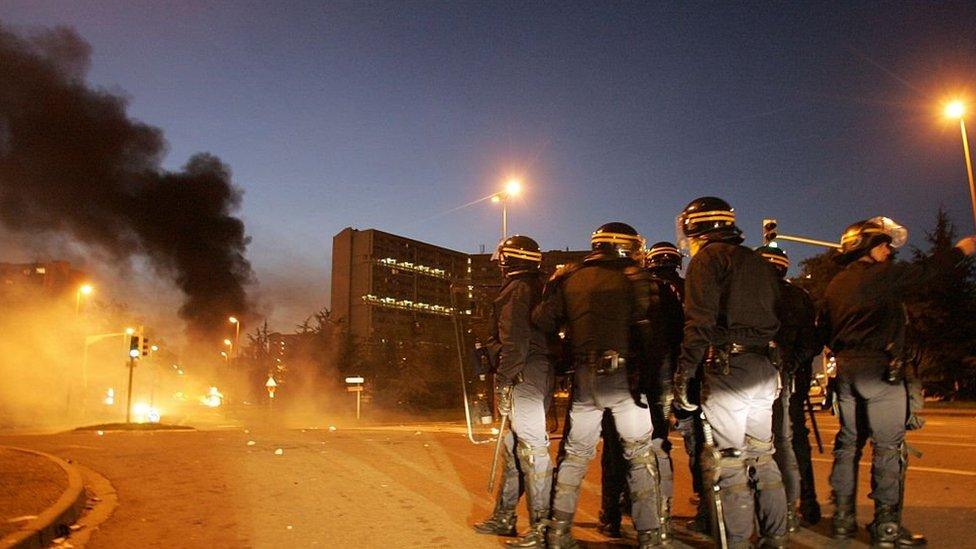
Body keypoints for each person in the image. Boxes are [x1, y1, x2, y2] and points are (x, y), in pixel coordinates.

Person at [820, 217, 976, 545]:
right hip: (880, 372)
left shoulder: (835, 285)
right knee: (889, 449)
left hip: (846, 373)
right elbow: (928, 271)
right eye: (883, 244)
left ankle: (843, 520)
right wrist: (960, 251)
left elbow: (824, 333)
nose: (888, 250)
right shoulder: (884, 277)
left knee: (847, 446)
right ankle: (886, 528)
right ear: (866, 246)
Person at [533, 222, 668, 548]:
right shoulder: (636, 277)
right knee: (639, 457)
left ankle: (558, 533)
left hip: (584, 378)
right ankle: (650, 536)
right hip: (625, 381)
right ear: (625, 246)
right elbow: (650, 335)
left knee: (575, 456)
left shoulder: (570, 277)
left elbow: (541, 320)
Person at [672, 197, 788, 548]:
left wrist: (685, 373)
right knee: (763, 456)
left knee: (730, 462)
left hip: (730, 369)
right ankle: (776, 536)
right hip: (764, 368)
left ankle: (737, 541)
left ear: (696, 226)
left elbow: (699, 323)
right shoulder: (757, 260)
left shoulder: (707, 260)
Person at [597, 241, 684, 540]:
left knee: (614, 447)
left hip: (622, 375)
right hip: (658, 375)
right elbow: (679, 336)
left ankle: (611, 516)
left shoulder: (612, 288)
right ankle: (660, 515)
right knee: (657, 444)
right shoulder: (670, 292)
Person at [473, 235, 554, 547]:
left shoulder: (517, 290)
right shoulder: (537, 286)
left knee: (532, 451)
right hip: (533, 372)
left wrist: (504, 379)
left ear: (510, 260)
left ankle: (542, 528)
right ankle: (505, 517)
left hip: (524, 374)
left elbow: (515, 341)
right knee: (512, 448)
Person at [756, 244, 822, 530]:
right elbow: (814, 341)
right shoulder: (800, 296)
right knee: (796, 440)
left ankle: (773, 507)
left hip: (765, 375)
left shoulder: (757, 295)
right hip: (794, 377)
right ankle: (807, 502)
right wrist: (795, 364)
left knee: (767, 442)